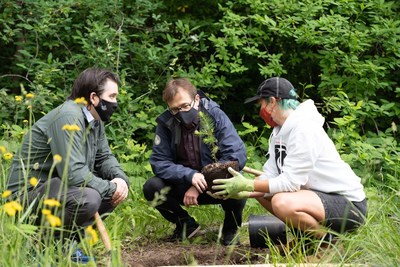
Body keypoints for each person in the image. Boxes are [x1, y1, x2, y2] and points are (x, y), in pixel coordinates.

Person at [211, 77, 367, 245]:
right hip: (318, 198)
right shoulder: (279, 131)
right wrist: (243, 192)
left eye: (261, 105)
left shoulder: (304, 129)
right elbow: (270, 175)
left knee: (281, 201)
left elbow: (291, 183)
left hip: (348, 205)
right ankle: (305, 239)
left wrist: (248, 185)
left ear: (272, 102)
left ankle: (325, 242)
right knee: (262, 189)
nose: (261, 110)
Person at [7, 68, 129, 263]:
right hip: (26, 194)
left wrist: (120, 180)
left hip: (58, 188)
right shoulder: (68, 116)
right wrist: (110, 187)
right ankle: (39, 250)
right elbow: (73, 172)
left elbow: (104, 157)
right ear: (94, 97)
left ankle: (62, 247)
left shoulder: (95, 120)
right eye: (112, 96)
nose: (115, 102)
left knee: (109, 195)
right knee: (90, 197)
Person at [143, 78, 247, 246]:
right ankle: (185, 224)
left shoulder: (214, 115)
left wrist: (202, 180)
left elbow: (236, 155)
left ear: (196, 99)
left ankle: (230, 230)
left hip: (216, 183)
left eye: (185, 106)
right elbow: (159, 161)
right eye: (176, 109)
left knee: (238, 180)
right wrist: (189, 176)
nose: (181, 112)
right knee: (152, 187)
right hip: (183, 184)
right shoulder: (167, 122)